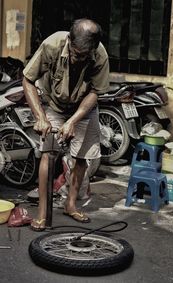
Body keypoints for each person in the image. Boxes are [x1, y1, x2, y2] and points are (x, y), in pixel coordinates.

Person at [22, 18, 110, 231]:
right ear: (69, 40)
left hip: (84, 107)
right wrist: (40, 117)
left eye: (84, 55)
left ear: (94, 48)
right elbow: (28, 80)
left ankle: (70, 204)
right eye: (75, 52)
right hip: (54, 104)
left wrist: (73, 121)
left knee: (81, 157)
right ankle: (43, 212)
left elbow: (96, 92)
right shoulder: (52, 45)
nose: (77, 58)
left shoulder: (100, 56)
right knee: (48, 154)